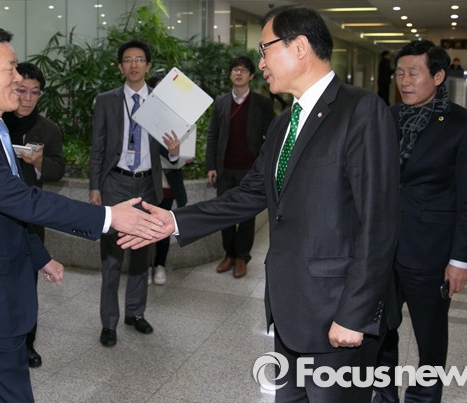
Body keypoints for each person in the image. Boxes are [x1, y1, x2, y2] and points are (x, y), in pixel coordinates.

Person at [119, 6, 400, 402]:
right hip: (288, 311)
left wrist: (355, 313)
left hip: (337, 313)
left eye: (265, 50)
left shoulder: (361, 110)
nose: (261, 63)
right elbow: (250, 193)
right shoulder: (284, 123)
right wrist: (175, 221)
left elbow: (379, 221)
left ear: (299, 47)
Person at [0, 28, 165, 403]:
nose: (18, 78)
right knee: (8, 390)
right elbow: (22, 200)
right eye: (10, 69)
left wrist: (40, 256)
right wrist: (107, 217)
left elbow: (4, 210)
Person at [373, 40, 467, 403]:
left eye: (414, 73)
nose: (404, 81)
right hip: (382, 250)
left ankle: (423, 398)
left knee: (430, 338)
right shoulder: (387, 117)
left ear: (438, 76)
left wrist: (460, 260)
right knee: (379, 332)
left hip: (430, 253)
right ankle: (383, 395)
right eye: (399, 73)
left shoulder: (464, 125)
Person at [89, 40, 181, 347]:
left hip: (146, 186)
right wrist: (95, 186)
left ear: (148, 66)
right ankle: (109, 323)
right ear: (120, 67)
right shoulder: (106, 100)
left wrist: (174, 151)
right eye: (128, 60)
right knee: (112, 257)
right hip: (115, 183)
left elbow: (168, 151)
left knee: (143, 254)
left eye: (139, 59)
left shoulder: (161, 103)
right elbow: (98, 147)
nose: (133, 65)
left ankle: (135, 313)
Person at [2, 61, 66, 368]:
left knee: (27, 285)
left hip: (30, 218)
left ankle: (27, 343)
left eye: (34, 92)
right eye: (21, 90)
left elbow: (58, 168)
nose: (27, 98)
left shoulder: (48, 129)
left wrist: (39, 162)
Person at [205, 55, 274, 278]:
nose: (238, 73)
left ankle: (242, 257)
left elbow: (271, 137)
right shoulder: (221, 102)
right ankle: (229, 254)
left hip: (250, 170)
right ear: (230, 74)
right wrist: (211, 165)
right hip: (225, 169)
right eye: (235, 69)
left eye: (243, 70)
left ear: (251, 76)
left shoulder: (262, 103)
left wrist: (264, 166)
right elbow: (213, 136)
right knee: (224, 214)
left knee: (246, 216)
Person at [146, 73, 190, 285]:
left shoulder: (180, 117)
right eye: (155, 89)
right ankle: (145, 266)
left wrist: (180, 153)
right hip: (145, 181)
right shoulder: (141, 115)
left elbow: (181, 154)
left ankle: (160, 265)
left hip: (167, 181)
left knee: (162, 225)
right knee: (143, 224)